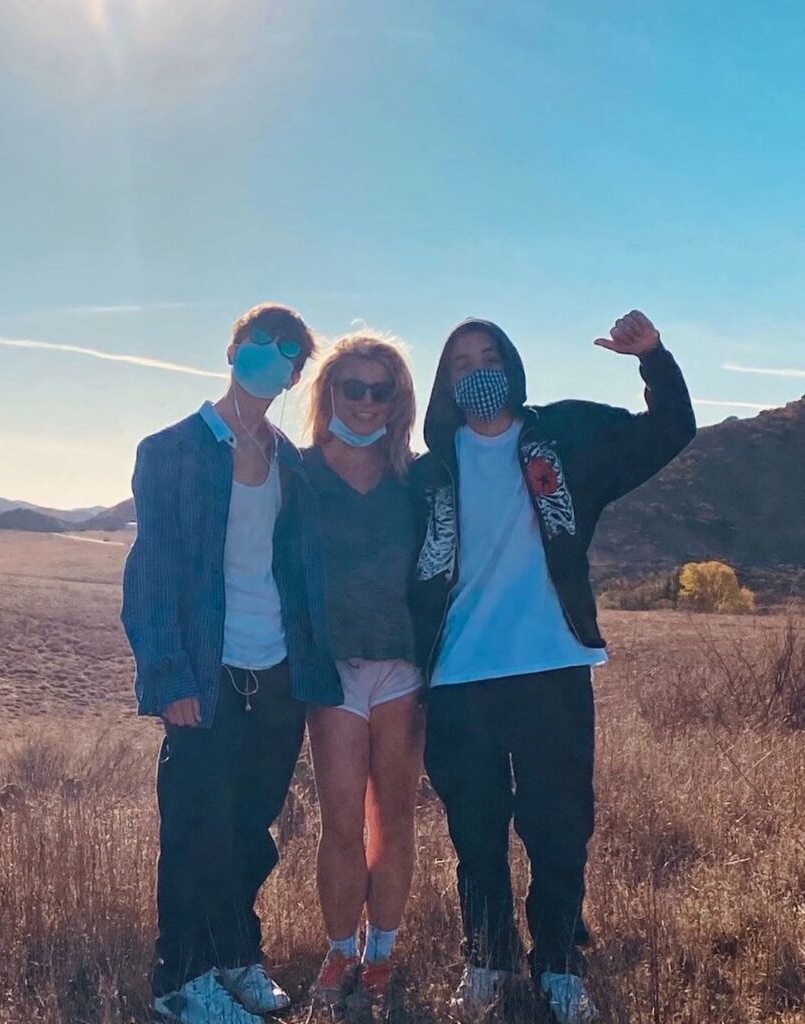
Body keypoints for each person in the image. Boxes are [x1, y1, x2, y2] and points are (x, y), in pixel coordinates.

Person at [410, 310, 696, 1024]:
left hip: (552, 665)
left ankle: (562, 962)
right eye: (462, 365)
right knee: (475, 830)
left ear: (512, 365)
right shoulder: (428, 474)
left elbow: (669, 432)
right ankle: (489, 958)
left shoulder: (563, 439)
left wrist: (653, 359)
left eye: (489, 357)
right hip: (457, 678)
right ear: (446, 384)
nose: (479, 374)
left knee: (560, 824)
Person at [121, 303, 343, 1024]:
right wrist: (170, 676)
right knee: (196, 829)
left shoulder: (290, 460)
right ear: (232, 348)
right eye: (261, 342)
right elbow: (151, 571)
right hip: (208, 673)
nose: (271, 356)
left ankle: (234, 955)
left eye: (288, 350)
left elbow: (300, 571)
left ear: (296, 373)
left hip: (276, 670)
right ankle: (180, 981)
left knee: (250, 830)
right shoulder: (173, 448)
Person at [302, 333, 424, 1007]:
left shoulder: (416, 477)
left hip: (403, 668)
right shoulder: (299, 472)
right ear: (329, 393)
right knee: (341, 823)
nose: (369, 402)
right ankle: (339, 952)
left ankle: (381, 953)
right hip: (335, 672)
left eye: (384, 390)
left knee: (395, 822)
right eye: (355, 387)